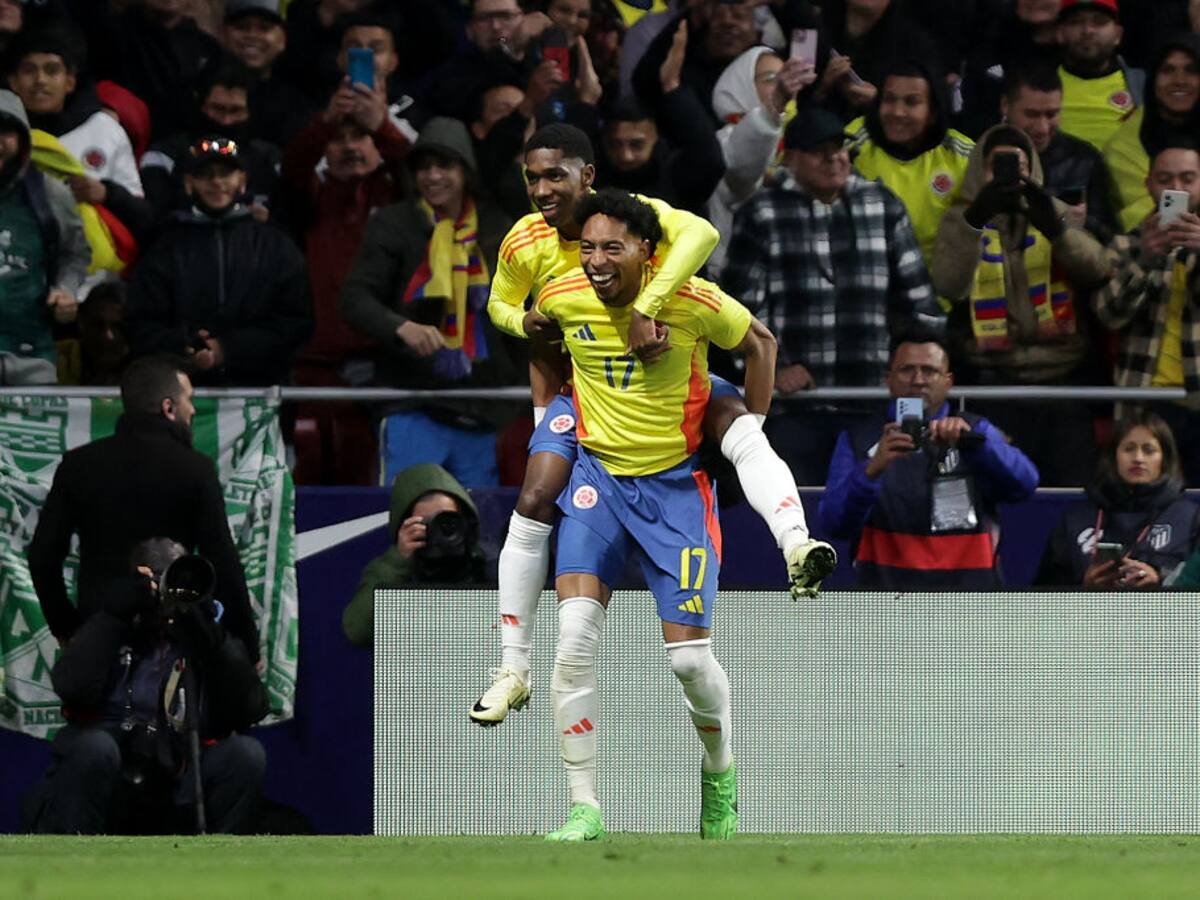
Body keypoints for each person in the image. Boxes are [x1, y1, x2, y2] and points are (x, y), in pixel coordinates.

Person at [474, 123, 834, 727]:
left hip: (671, 380)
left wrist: (646, 307)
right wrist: (525, 327)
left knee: (743, 429)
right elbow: (503, 309)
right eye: (532, 178)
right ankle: (512, 667)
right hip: (583, 389)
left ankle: (795, 542)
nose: (541, 190)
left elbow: (705, 237)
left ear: (588, 177)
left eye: (555, 175)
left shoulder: (640, 217)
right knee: (534, 496)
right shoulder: (527, 243)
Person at [534, 188, 780, 841]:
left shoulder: (690, 299)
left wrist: (751, 432)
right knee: (572, 639)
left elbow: (761, 341)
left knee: (690, 663)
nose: (596, 260)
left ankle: (720, 775)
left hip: (675, 491)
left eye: (612, 247)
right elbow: (538, 337)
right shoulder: (561, 294)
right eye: (588, 247)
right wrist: (546, 418)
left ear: (647, 251)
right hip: (598, 484)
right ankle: (584, 807)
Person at [721, 104, 945, 486]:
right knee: (799, 507)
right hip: (795, 407)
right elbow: (736, 313)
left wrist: (911, 369)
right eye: (819, 151)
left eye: (839, 148)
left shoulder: (883, 205)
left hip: (873, 402)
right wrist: (773, 368)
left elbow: (921, 305)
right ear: (791, 158)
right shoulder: (761, 213)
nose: (834, 159)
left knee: (872, 502)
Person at [23, 537, 268, 834]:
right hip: (110, 782)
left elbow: (252, 707)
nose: (169, 591)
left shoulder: (203, 637)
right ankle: (72, 857)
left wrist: (211, 639)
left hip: (179, 784)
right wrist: (114, 617)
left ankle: (222, 860)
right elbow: (71, 686)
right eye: (160, 577)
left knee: (245, 754)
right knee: (94, 747)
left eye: (179, 578)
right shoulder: (113, 624)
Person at [27, 355, 259, 659]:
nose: (192, 409)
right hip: (174, 639)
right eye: (188, 399)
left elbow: (43, 557)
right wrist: (247, 643)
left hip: (99, 636)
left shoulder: (79, 465)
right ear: (168, 407)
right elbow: (222, 563)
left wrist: (67, 627)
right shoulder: (196, 469)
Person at [340, 117, 520, 488]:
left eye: (444, 166)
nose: (433, 176)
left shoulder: (499, 228)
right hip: (412, 401)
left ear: (465, 171)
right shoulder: (394, 224)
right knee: (409, 512)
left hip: (484, 406)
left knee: (480, 517)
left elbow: (520, 310)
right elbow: (355, 298)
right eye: (423, 168)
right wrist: (401, 328)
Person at [931, 124, 1111, 486]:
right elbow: (949, 285)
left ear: (1033, 171)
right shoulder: (963, 217)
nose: (1010, 175)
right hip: (993, 385)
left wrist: (1055, 228)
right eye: (996, 167)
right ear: (978, 170)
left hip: (1062, 385)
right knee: (999, 488)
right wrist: (975, 221)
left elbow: (1098, 270)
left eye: (1020, 166)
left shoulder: (1054, 210)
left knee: (1068, 492)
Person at [820, 332, 1039, 588]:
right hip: (885, 599)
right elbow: (834, 524)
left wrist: (978, 446)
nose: (918, 380)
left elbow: (1025, 485)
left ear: (948, 381)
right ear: (888, 379)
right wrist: (871, 471)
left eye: (930, 371)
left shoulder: (975, 432)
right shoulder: (860, 438)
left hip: (971, 599)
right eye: (907, 370)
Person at [124, 135, 312, 387]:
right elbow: (140, 323)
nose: (216, 182)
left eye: (225, 173)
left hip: (262, 389)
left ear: (242, 181)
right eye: (205, 174)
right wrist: (186, 345)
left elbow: (297, 321)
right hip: (183, 390)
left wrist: (228, 349)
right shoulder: (164, 248)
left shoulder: (276, 246)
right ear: (189, 183)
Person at [1092, 139, 1200, 485]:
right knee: (1146, 503)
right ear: (1149, 184)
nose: (1176, 188)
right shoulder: (1125, 245)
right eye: (1165, 179)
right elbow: (1108, 314)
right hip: (1145, 402)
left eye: (1187, 179)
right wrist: (1146, 260)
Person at [6, 26, 153, 243]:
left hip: (91, 261)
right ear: (13, 82)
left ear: (70, 82)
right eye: (29, 70)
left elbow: (143, 219)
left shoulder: (104, 129)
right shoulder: (5, 134)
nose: (40, 80)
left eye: (52, 70)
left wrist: (106, 194)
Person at [1036, 412, 1200, 587]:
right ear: (1113, 456)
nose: (1138, 458)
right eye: (1129, 449)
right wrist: (1084, 586)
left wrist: (1160, 581)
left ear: (1165, 459)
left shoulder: (1190, 517)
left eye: (1148, 450)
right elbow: (1043, 591)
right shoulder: (1076, 518)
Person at [846, 57, 975, 278]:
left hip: (937, 289)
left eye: (911, 102)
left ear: (933, 112)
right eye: (889, 99)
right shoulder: (854, 141)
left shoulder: (961, 154)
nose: (897, 112)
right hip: (867, 282)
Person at [342, 463, 486, 648]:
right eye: (425, 522)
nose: (439, 529)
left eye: (447, 520)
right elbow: (358, 632)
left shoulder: (487, 567)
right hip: (413, 663)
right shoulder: (390, 571)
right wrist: (398, 562)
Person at [0, 89, 89, 385]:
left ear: (23, 140)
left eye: (6, 132)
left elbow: (76, 253)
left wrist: (65, 289)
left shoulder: (49, 193)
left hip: (31, 355)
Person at [708, 45, 815, 277]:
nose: (782, 85)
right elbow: (742, 171)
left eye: (785, 77)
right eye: (771, 79)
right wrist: (777, 101)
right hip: (738, 277)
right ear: (741, 85)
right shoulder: (724, 139)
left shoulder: (799, 141)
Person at [139, 60, 282, 225]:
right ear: (200, 103)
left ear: (250, 110)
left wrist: (268, 222)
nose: (226, 120)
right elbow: (153, 218)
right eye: (218, 109)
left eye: (236, 111)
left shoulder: (270, 159)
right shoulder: (164, 156)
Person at [1001, 62, 1116, 242]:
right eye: (1032, 114)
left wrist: (1082, 222)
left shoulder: (1085, 160)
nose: (1042, 128)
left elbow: (1110, 238)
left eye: (1051, 114)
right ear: (1005, 106)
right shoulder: (975, 153)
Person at [1104, 35, 1200, 233]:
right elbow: (1145, 218)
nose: (1179, 81)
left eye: (1191, 70)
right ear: (1152, 80)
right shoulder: (1123, 147)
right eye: (1168, 70)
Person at [1055, 0, 1145, 152]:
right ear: (1060, 33)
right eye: (1076, 22)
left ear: (1118, 34)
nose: (1088, 30)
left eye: (1099, 22)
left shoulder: (1144, 85)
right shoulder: (1039, 85)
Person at [221, 0, 314, 146]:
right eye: (242, 27)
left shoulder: (296, 105)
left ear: (282, 39)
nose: (252, 35)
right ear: (224, 34)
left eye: (264, 28)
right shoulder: (201, 90)